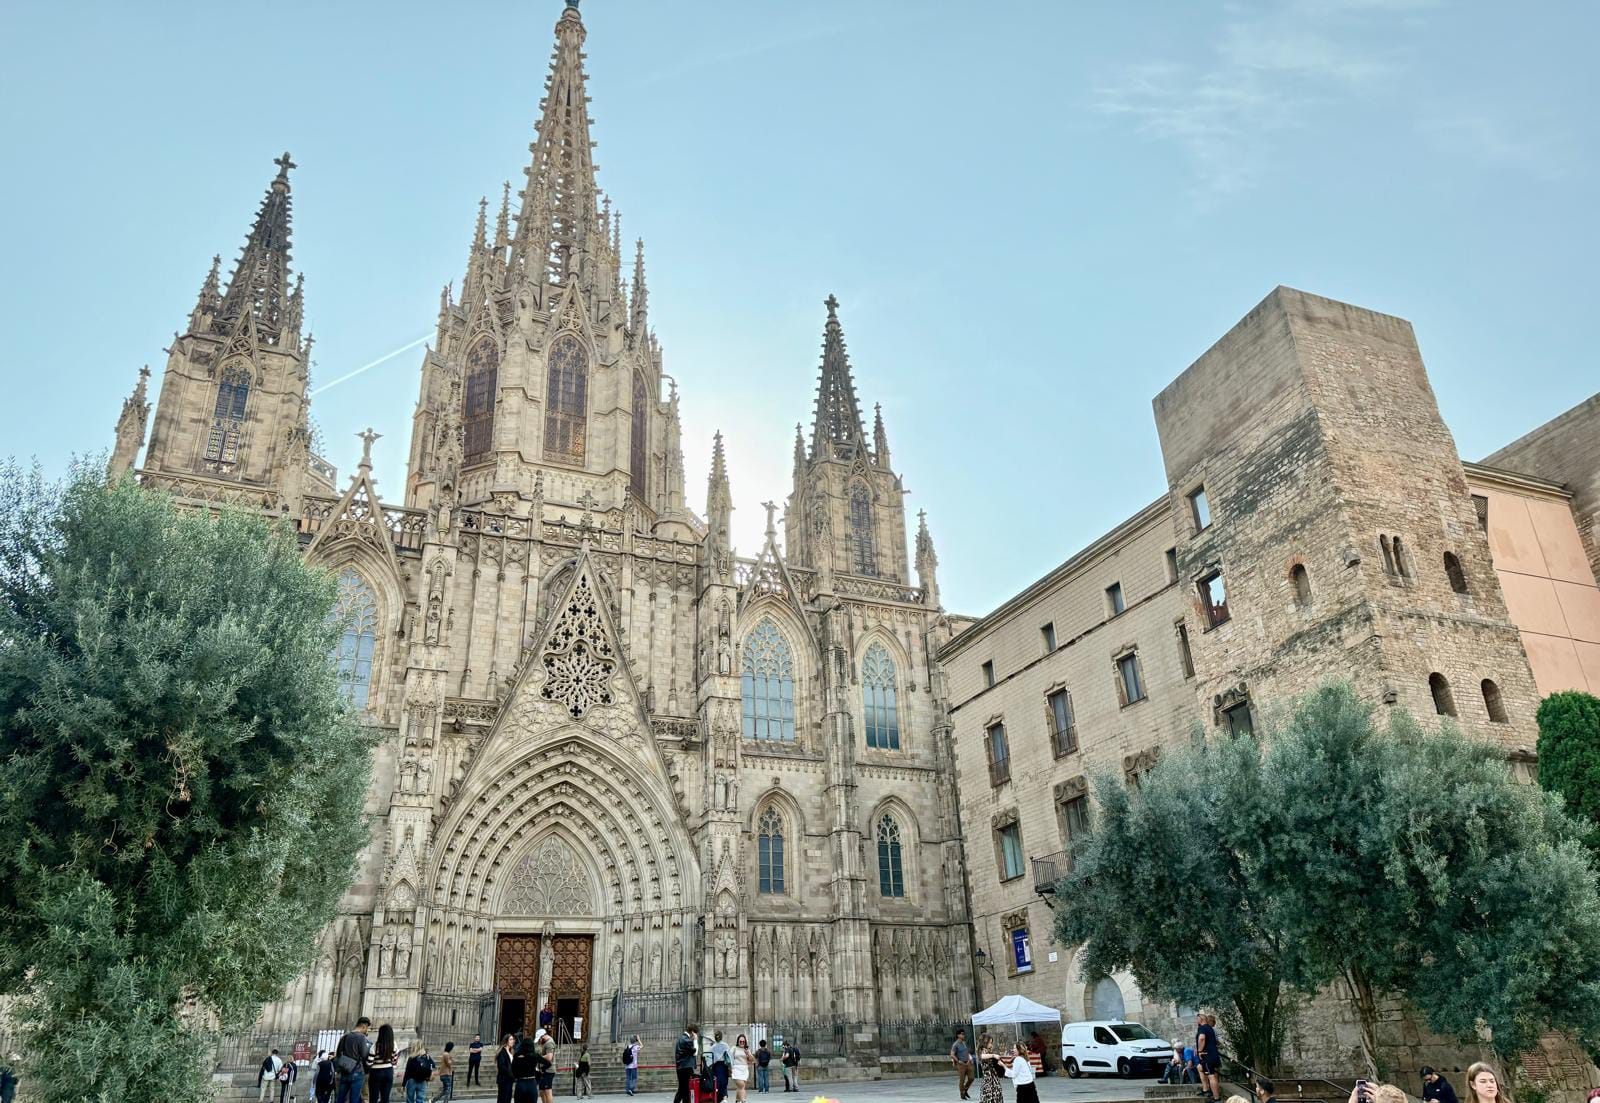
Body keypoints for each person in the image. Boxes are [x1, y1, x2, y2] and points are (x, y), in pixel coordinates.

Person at [334, 1019, 373, 1103]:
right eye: (367, 1028)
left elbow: (338, 1054)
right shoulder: (361, 1037)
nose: (367, 1030)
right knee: (354, 1099)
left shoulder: (345, 1036)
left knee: (340, 1098)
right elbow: (364, 1055)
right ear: (363, 1026)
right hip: (357, 1071)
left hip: (345, 1070)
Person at [367, 1023, 398, 1103]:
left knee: (373, 1098)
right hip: (388, 1071)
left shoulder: (375, 1046)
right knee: (385, 1098)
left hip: (376, 1073)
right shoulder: (393, 1045)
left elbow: (369, 1062)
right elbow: (394, 1061)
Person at [1196, 1013, 1222, 1103]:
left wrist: (1199, 1050)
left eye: (1197, 1019)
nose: (1196, 1021)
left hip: (1207, 1055)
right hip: (1213, 1054)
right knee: (1205, 1071)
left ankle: (1216, 1098)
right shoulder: (1210, 1028)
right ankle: (1208, 1091)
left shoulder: (1202, 1028)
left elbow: (1201, 1038)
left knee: (1211, 1076)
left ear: (1201, 1019)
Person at [511, 1035, 541, 1103]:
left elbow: (513, 1070)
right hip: (532, 1082)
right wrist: (540, 1072)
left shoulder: (517, 1056)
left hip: (521, 1082)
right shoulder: (534, 1056)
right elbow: (548, 1063)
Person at [674, 1026, 700, 1103]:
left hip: (681, 1067)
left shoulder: (681, 1038)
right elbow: (695, 1053)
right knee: (684, 1089)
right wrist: (695, 1040)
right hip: (686, 1067)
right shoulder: (686, 1040)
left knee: (683, 1089)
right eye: (695, 1033)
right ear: (692, 1032)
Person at [976, 1034, 1004, 1103]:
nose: (991, 1045)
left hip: (993, 1079)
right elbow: (981, 1056)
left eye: (991, 1043)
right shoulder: (983, 1051)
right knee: (990, 1098)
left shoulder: (988, 1051)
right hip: (988, 1081)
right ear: (984, 1042)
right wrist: (993, 1055)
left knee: (994, 1097)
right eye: (990, 1043)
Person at [950, 1029, 974, 1101]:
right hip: (961, 1064)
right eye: (962, 1034)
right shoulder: (955, 1044)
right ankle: (962, 1094)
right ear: (958, 1035)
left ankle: (965, 1090)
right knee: (962, 1080)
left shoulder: (964, 1043)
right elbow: (952, 1054)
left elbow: (967, 1052)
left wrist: (970, 1058)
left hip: (968, 1063)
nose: (963, 1035)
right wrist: (958, 1061)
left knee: (971, 1078)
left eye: (964, 1034)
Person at [535, 1029, 557, 1103]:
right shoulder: (547, 1042)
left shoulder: (549, 1043)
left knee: (547, 1091)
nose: (539, 1041)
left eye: (539, 1039)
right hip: (544, 1070)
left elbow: (549, 1057)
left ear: (543, 1036)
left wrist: (538, 1057)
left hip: (548, 1070)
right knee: (542, 1091)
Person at [731, 1034, 753, 1102]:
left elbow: (752, 1059)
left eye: (743, 1042)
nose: (742, 1043)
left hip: (744, 1069)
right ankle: (743, 1100)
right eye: (740, 1041)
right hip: (736, 1069)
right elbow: (730, 1058)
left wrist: (748, 1054)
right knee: (742, 1086)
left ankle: (737, 1100)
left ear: (745, 1042)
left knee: (740, 1087)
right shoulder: (734, 1048)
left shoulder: (746, 1050)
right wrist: (730, 1068)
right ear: (738, 1041)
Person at [710, 1030, 732, 1102]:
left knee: (717, 1082)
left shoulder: (713, 1046)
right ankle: (724, 1097)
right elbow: (729, 1056)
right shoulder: (725, 1045)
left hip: (716, 1066)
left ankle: (718, 1098)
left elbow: (710, 1058)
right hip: (724, 1065)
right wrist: (730, 1066)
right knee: (724, 1082)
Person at [495, 1035, 516, 1103]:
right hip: (504, 1080)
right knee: (503, 1099)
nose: (513, 1041)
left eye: (513, 1039)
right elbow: (502, 1066)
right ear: (506, 1041)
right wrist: (511, 1075)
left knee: (508, 1099)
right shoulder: (502, 1052)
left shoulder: (511, 1052)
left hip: (509, 1080)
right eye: (510, 1039)